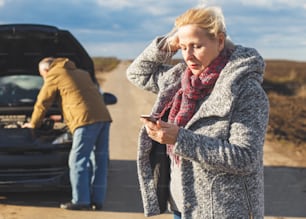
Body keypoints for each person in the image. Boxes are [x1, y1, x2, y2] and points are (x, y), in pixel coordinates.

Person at [126, 5, 269, 219]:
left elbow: (246, 158)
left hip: (223, 211)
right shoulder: (178, 80)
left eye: (196, 46)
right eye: (183, 48)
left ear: (220, 41)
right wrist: (171, 41)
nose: (188, 56)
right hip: (182, 208)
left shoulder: (246, 90)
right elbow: (137, 73)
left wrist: (179, 138)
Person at [23, 57, 112, 211]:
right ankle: (97, 200)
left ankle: (81, 200)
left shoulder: (54, 73)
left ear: (46, 70)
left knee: (77, 160)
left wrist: (33, 124)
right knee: (99, 160)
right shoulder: (81, 73)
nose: (44, 78)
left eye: (42, 75)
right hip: (103, 118)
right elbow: (79, 98)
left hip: (85, 121)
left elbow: (42, 102)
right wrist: (62, 117)